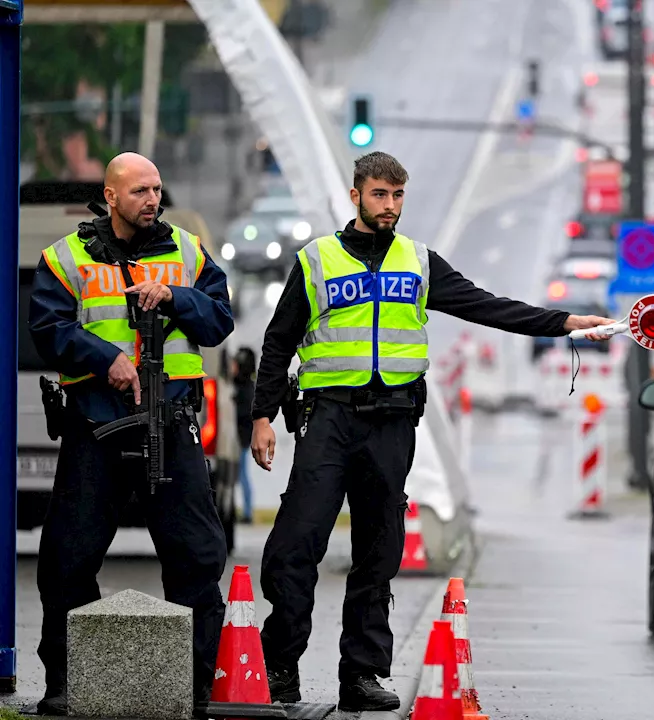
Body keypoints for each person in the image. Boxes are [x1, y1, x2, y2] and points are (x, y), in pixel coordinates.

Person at [249, 151, 616, 711]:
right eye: (379, 195)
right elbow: (278, 343)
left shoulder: (418, 261)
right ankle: (279, 668)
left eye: (397, 196)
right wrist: (262, 417)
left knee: (379, 552)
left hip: (392, 423)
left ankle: (364, 676)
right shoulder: (317, 260)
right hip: (327, 420)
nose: (390, 206)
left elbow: (486, 307)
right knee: (296, 545)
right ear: (356, 196)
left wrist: (564, 322)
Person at [28, 152, 235, 714]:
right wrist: (105, 360)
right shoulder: (66, 257)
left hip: (171, 422)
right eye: (141, 190)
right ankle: (67, 683)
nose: (153, 200)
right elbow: (48, 328)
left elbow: (219, 320)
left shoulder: (186, 251)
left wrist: (176, 297)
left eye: (157, 189)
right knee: (67, 557)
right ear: (112, 195)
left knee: (197, 554)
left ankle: (195, 686)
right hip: (97, 423)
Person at [232, 346, 257, 523]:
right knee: (241, 475)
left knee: (241, 475)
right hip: (241, 437)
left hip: (240, 438)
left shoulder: (245, 388)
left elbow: (244, 414)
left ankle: (247, 512)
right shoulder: (245, 386)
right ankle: (246, 511)